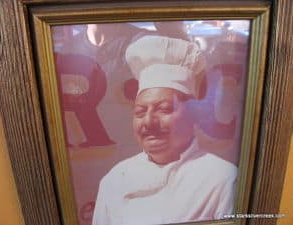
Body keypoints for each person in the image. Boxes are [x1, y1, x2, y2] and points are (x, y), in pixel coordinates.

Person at [92, 35, 237, 225]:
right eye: (140, 111)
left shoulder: (223, 179)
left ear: (193, 114)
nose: (149, 122)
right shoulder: (115, 179)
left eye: (164, 109)